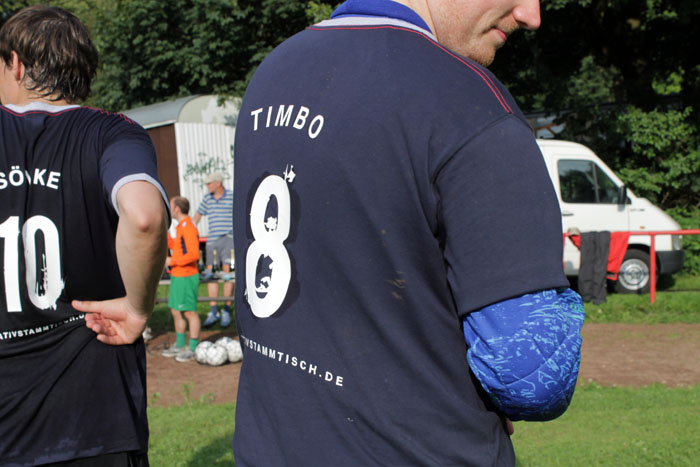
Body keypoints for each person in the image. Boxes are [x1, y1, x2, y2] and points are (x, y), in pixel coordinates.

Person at [232, 0, 585, 465]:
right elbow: (532, 377)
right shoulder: (467, 101)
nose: (531, 15)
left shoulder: (275, 70)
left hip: (271, 449)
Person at [0, 5, 168, 466]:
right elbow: (144, 216)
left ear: (15, 63)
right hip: (95, 413)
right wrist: (138, 308)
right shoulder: (113, 132)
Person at [162, 196, 201, 362]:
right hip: (178, 275)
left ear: (177, 209)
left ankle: (192, 348)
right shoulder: (180, 226)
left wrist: (172, 261)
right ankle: (180, 345)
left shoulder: (189, 226)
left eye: (170, 206)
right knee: (176, 311)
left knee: (189, 312)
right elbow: (177, 246)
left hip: (186, 275)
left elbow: (193, 254)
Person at [194, 172, 234, 328]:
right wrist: (189, 231)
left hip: (228, 239)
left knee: (227, 273)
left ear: (218, 183)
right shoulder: (207, 199)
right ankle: (213, 311)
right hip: (212, 241)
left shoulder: (231, 196)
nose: (207, 186)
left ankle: (226, 310)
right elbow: (197, 216)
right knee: (211, 274)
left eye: (209, 183)